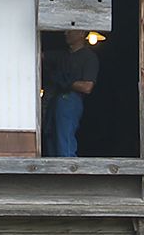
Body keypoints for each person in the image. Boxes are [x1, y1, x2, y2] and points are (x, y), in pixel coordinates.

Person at [41, 30, 100, 158]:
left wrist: (66, 83)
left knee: (64, 141)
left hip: (70, 100)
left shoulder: (89, 57)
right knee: (50, 137)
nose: (66, 33)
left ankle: (68, 173)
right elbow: (39, 55)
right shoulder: (62, 56)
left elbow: (87, 87)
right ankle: (55, 174)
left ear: (81, 33)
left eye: (70, 30)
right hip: (54, 99)